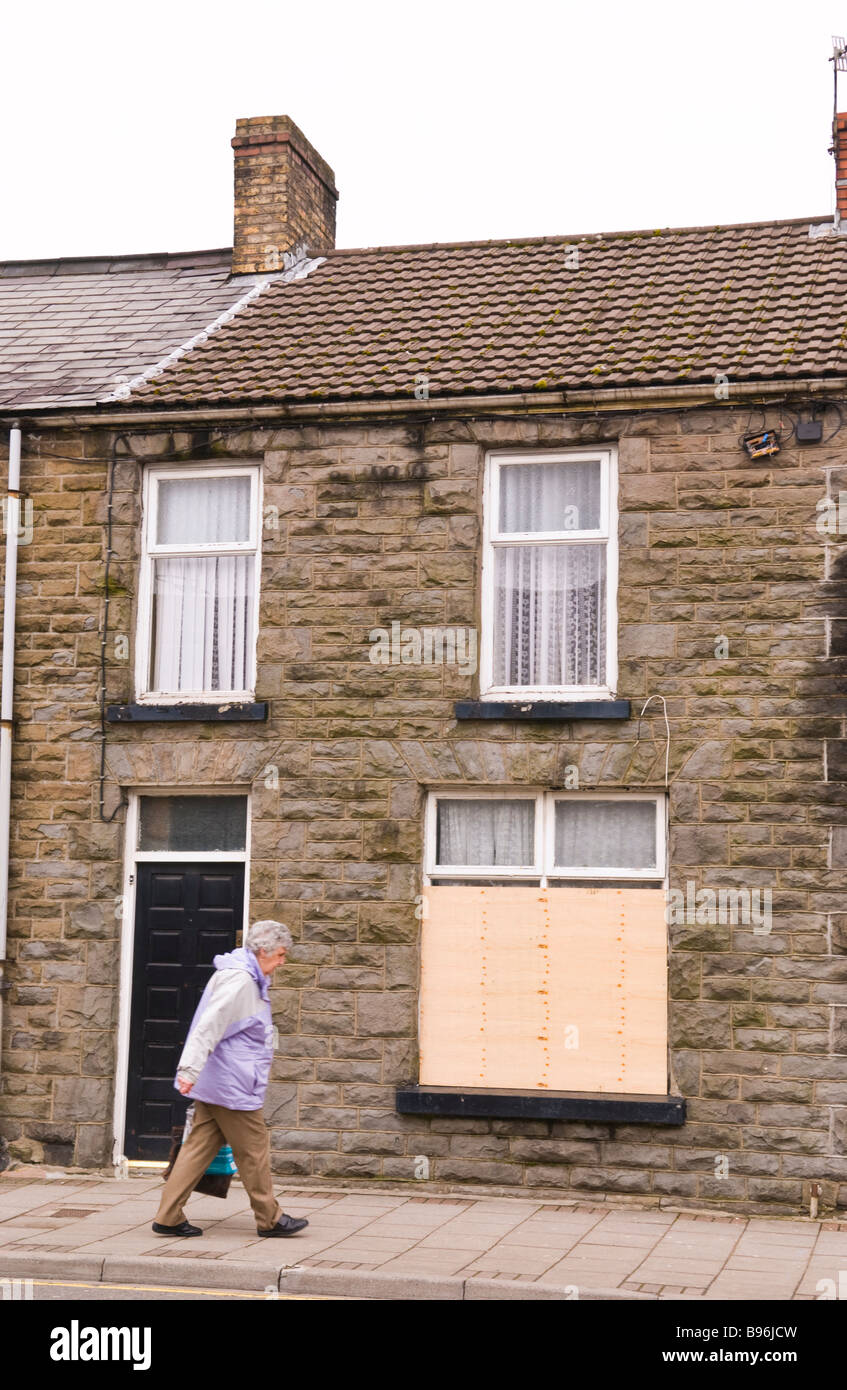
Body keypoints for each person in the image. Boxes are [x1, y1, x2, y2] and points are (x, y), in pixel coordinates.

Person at [152, 919, 308, 1238]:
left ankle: (167, 1216)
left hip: (220, 1081)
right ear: (262, 951)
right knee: (254, 1150)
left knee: (197, 1148)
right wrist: (188, 1070)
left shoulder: (245, 977)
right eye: (280, 955)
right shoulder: (240, 982)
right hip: (233, 1085)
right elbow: (210, 1024)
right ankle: (270, 1218)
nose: (282, 962)